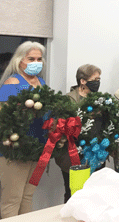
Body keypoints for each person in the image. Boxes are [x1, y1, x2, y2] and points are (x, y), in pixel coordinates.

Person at [0, 41, 46, 218]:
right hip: (14, 150)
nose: (36, 62)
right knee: (12, 199)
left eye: (39, 59)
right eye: (31, 59)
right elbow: (3, 116)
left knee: (27, 196)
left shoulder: (41, 83)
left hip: (37, 149)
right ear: (20, 61)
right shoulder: (11, 82)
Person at [55, 64, 102, 203]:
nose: (98, 82)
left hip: (95, 153)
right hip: (71, 154)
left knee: (94, 191)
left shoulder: (100, 99)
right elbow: (61, 127)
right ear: (83, 81)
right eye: (95, 79)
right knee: (72, 192)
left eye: (99, 79)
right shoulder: (68, 99)